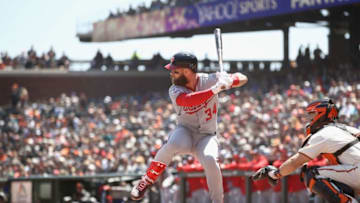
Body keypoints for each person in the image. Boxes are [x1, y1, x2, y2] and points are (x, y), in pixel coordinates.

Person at [130, 51, 248, 203]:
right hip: (185, 131)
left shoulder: (210, 79)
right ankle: (146, 181)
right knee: (173, 144)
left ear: (187, 71)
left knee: (211, 160)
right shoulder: (174, 89)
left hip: (207, 135)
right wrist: (215, 89)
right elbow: (188, 101)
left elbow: (244, 78)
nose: (171, 73)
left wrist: (231, 80)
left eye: (175, 70)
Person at [252, 99, 360, 203]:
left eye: (311, 114)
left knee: (312, 174)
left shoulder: (323, 134)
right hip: (355, 170)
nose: (309, 118)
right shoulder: (345, 128)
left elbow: (296, 162)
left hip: (357, 170)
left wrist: (275, 174)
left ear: (321, 114)